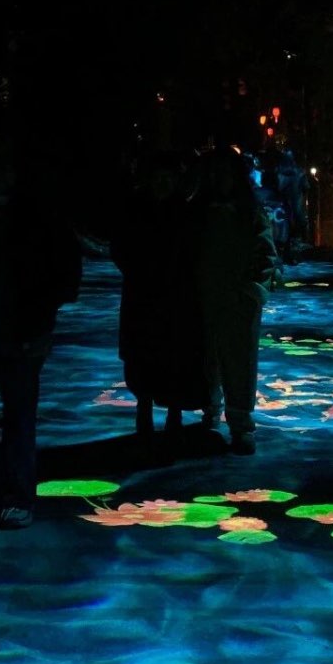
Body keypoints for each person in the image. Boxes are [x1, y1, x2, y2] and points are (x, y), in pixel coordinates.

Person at [0, 134, 82, 530]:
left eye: (5, 168)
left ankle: (16, 494)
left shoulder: (38, 216)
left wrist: (41, 320)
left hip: (22, 336)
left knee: (19, 419)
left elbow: (65, 270)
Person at [110, 149, 208, 454]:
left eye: (168, 177)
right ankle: (145, 415)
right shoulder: (137, 210)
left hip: (175, 298)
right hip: (143, 296)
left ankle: (172, 419)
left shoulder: (184, 212)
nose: (163, 183)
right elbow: (120, 247)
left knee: (174, 359)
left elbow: (195, 252)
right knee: (143, 359)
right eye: (159, 177)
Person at [192, 146, 278, 455]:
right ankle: (211, 412)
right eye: (216, 173)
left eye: (227, 173)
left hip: (239, 299)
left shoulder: (249, 212)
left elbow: (265, 252)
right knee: (206, 359)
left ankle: (240, 423)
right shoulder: (199, 211)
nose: (221, 179)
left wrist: (252, 290)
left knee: (240, 363)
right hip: (205, 296)